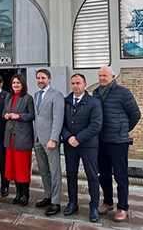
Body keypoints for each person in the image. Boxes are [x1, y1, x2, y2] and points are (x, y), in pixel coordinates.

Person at [93, 66, 141, 222]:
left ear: (113, 76)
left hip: (118, 142)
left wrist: (124, 129)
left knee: (120, 176)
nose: (102, 78)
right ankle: (108, 202)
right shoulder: (96, 93)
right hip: (101, 140)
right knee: (104, 175)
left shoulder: (123, 92)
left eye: (105, 75)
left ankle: (122, 207)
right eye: (100, 76)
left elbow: (135, 114)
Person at [62, 74, 102, 223]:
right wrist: (68, 137)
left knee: (92, 176)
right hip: (70, 145)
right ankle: (73, 203)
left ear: (85, 84)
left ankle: (93, 207)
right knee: (71, 174)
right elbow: (61, 123)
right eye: (72, 83)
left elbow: (96, 125)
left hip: (88, 145)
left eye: (78, 83)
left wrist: (78, 138)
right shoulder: (65, 101)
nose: (75, 86)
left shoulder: (94, 102)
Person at [33, 69, 64, 216]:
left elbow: (58, 119)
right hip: (38, 139)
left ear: (49, 79)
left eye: (43, 78)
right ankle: (48, 196)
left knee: (54, 171)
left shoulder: (56, 95)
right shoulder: (36, 95)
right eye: (38, 78)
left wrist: (54, 138)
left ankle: (56, 202)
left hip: (50, 140)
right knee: (43, 170)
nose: (40, 80)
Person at [2, 74, 34, 206]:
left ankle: (25, 194)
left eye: (18, 83)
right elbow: (3, 113)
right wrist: (5, 115)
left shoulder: (28, 98)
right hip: (10, 137)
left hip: (22, 138)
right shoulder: (8, 97)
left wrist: (18, 116)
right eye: (14, 82)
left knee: (23, 168)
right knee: (13, 168)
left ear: (23, 84)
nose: (15, 85)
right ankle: (18, 193)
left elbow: (32, 115)